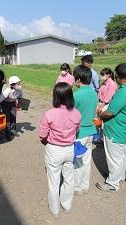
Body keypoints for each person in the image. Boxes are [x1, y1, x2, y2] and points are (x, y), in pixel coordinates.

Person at [39, 82, 81, 218]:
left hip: (54, 149)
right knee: (69, 178)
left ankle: (55, 210)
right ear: (70, 96)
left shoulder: (49, 114)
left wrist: (46, 141)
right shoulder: (76, 113)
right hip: (69, 149)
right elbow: (77, 131)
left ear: (55, 96)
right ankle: (67, 206)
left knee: (53, 181)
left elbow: (42, 135)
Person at [95, 63, 126, 192]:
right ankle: (120, 177)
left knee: (114, 158)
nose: (116, 78)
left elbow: (111, 112)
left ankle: (112, 184)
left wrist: (100, 116)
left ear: (124, 78)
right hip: (124, 129)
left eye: (117, 76)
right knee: (122, 156)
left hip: (116, 130)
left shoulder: (124, 92)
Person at [73, 65, 98, 195]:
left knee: (77, 161)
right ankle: (85, 185)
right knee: (87, 160)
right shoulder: (94, 93)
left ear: (78, 79)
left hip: (79, 133)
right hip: (90, 131)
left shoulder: (76, 95)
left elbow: (71, 116)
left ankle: (77, 187)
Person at [0, 75, 23, 140]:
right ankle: (7, 133)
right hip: (5, 104)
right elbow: (0, 98)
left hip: (12, 104)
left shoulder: (19, 90)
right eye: (18, 84)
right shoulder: (7, 90)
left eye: (19, 83)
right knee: (7, 118)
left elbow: (20, 98)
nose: (20, 85)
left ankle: (13, 131)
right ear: (13, 85)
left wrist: (21, 106)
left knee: (13, 117)